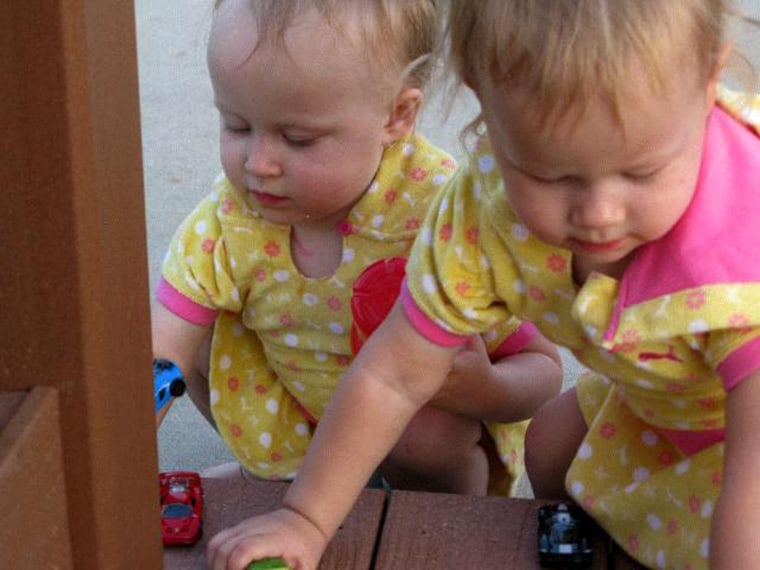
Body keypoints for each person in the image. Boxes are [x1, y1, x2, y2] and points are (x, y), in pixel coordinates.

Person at [205, 0, 760, 569]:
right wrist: (305, 518)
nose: (599, 213)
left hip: (740, 444)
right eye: (549, 174)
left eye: (642, 172)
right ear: (484, 99)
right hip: (661, 402)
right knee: (553, 446)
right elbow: (393, 373)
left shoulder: (742, 244)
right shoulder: (484, 210)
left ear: (710, 79)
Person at [155, 0, 562, 520]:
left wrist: (483, 390)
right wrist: (116, 449)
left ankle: (438, 522)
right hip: (299, 411)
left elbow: (543, 371)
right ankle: (279, 469)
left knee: (425, 434)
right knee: (195, 335)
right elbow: (161, 351)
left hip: (421, 443)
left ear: (397, 115)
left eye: (298, 138)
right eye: (237, 126)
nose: (258, 164)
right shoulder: (231, 218)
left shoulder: (440, 219)